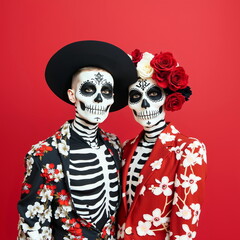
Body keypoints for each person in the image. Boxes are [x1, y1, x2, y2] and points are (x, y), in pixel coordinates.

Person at [17, 40, 137, 240]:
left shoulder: (114, 145)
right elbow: (33, 226)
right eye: (89, 90)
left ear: (112, 99)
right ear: (72, 95)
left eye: (106, 92)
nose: (99, 99)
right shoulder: (44, 153)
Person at [117, 50, 207, 240]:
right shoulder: (125, 148)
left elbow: (185, 223)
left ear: (167, 97)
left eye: (153, 94)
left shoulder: (189, 149)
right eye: (135, 97)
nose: (145, 104)